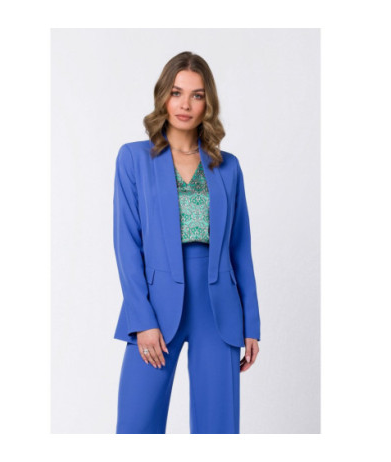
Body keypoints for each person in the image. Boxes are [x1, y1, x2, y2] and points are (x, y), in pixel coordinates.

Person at [112, 51, 261, 434]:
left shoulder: (228, 166)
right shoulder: (134, 158)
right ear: (164, 95)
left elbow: (240, 249)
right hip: (156, 304)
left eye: (197, 95)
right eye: (177, 92)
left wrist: (251, 324)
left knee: (218, 428)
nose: (185, 104)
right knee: (136, 426)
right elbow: (127, 245)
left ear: (208, 103)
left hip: (219, 307)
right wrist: (142, 319)